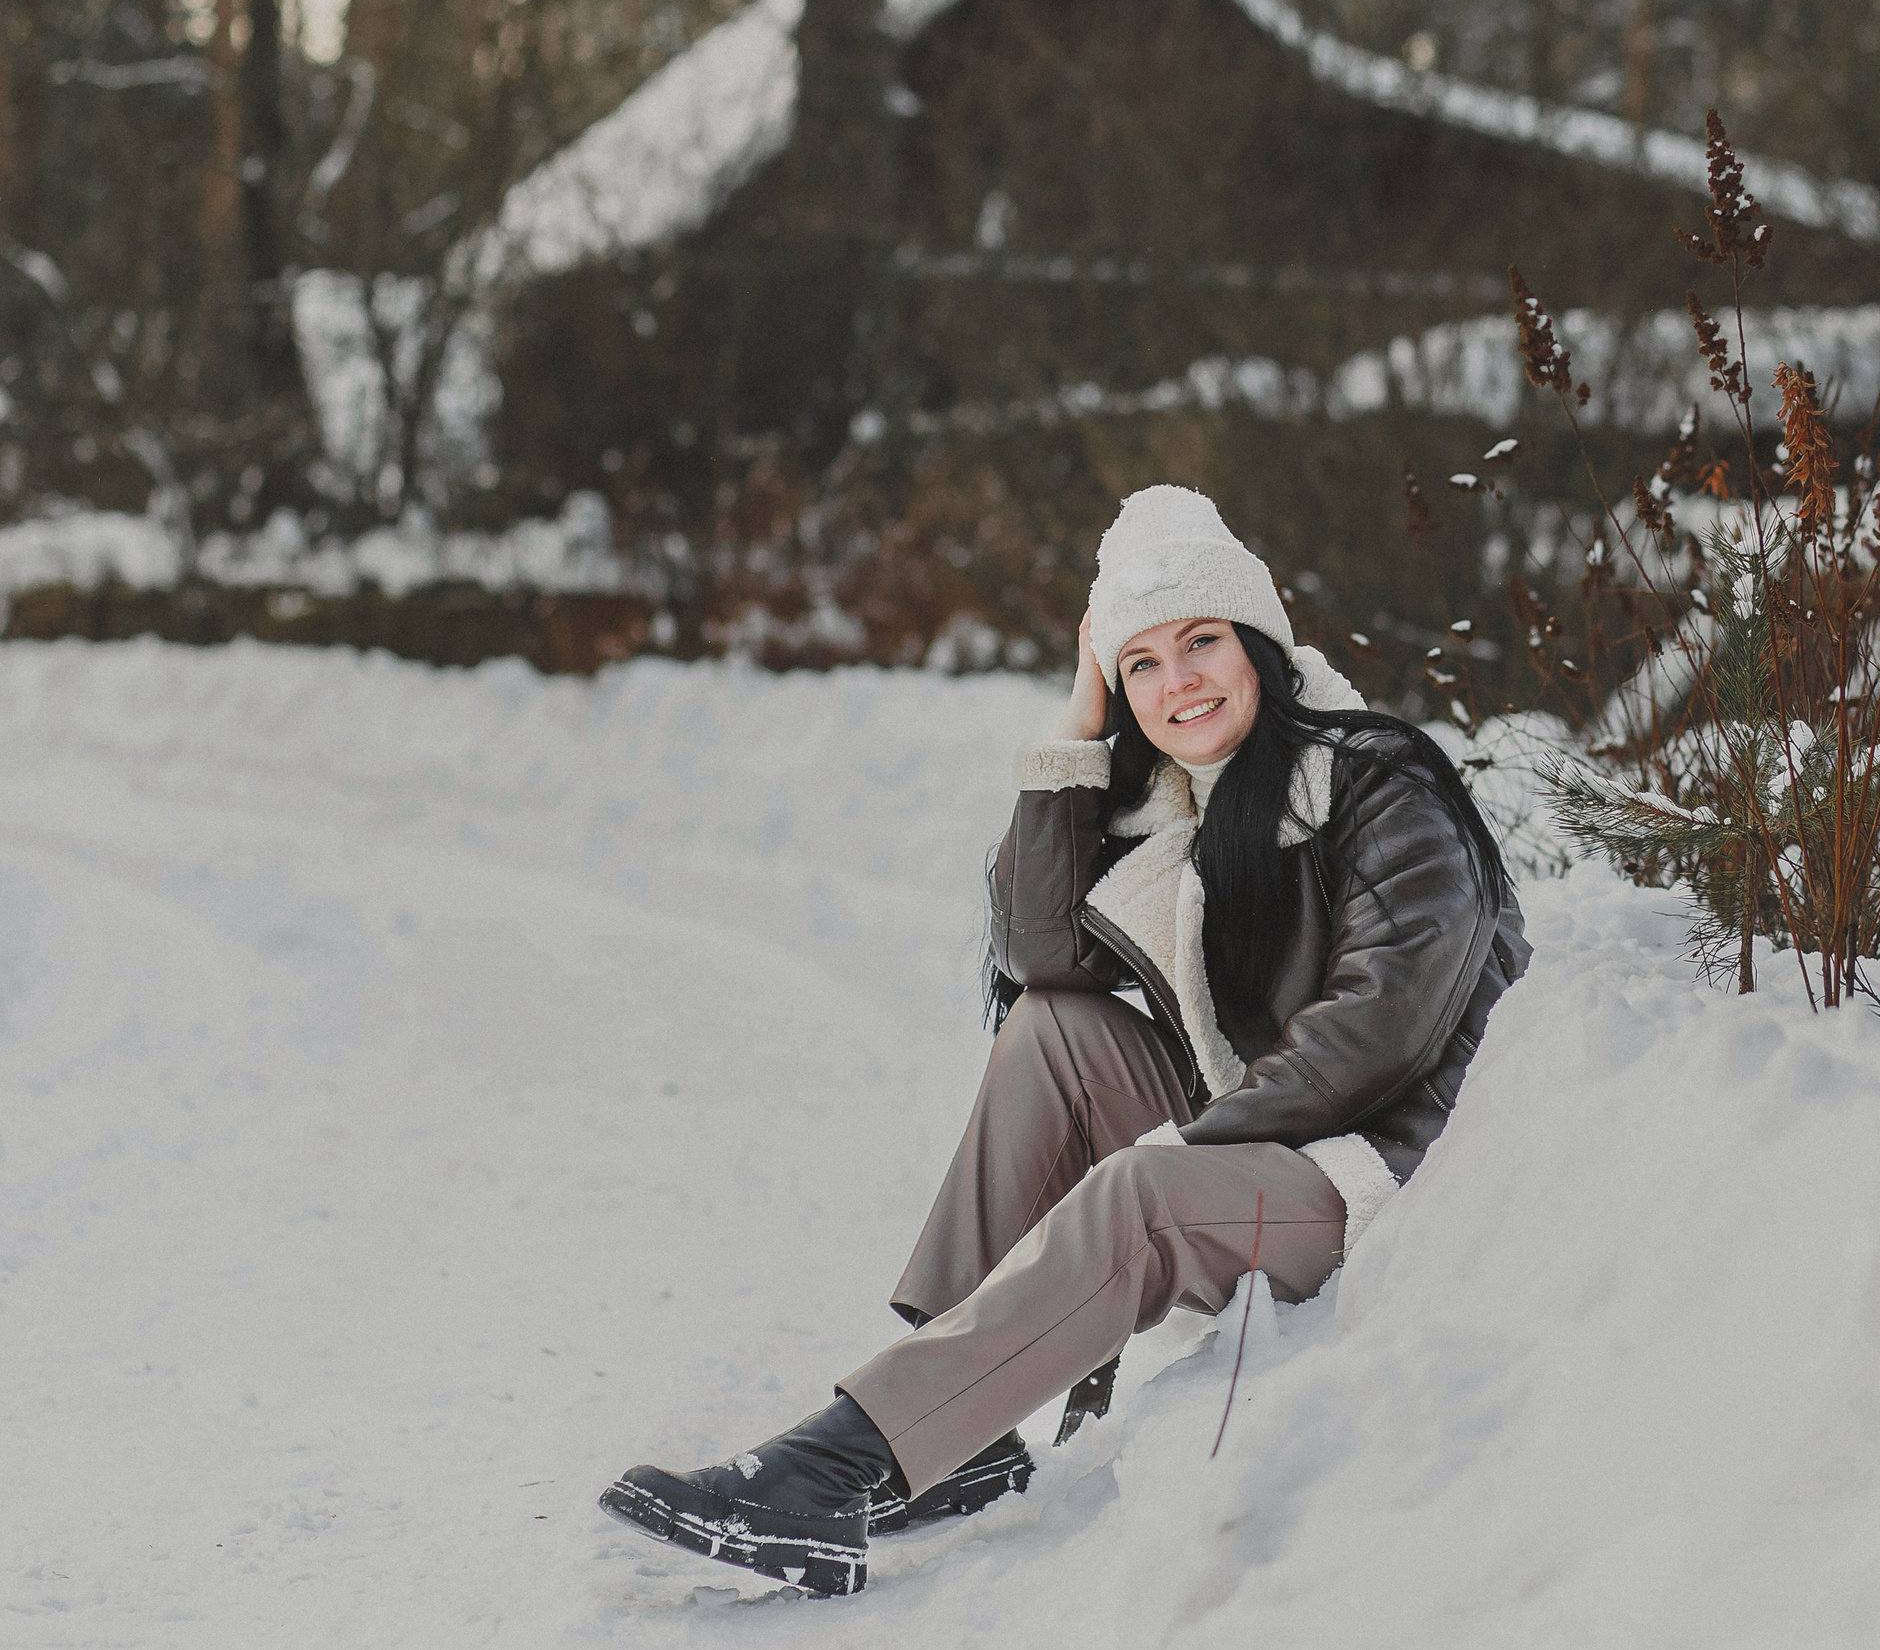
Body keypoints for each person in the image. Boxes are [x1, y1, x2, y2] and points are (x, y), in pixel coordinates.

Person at [599, 485, 1531, 1595]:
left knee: (1139, 1189)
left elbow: (1378, 1031)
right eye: (1140, 663)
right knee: (1054, 1031)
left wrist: (1186, 1149)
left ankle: (841, 1467)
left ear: (1262, 646)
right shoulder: (1186, 802)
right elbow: (1043, 954)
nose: (1177, 680)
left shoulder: (1382, 781)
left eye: (1200, 641)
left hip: (1382, 1173)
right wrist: (1075, 736)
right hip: (1270, 1143)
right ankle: (959, 1430)